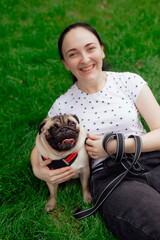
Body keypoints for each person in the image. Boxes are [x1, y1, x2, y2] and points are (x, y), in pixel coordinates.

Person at [31, 23, 160, 240]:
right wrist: (38, 170)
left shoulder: (129, 81)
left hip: (152, 157)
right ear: (65, 63)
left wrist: (114, 146)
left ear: (102, 50)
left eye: (90, 48)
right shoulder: (62, 106)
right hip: (113, 178)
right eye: (73, 54)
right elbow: (40, 144)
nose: (84, 59)